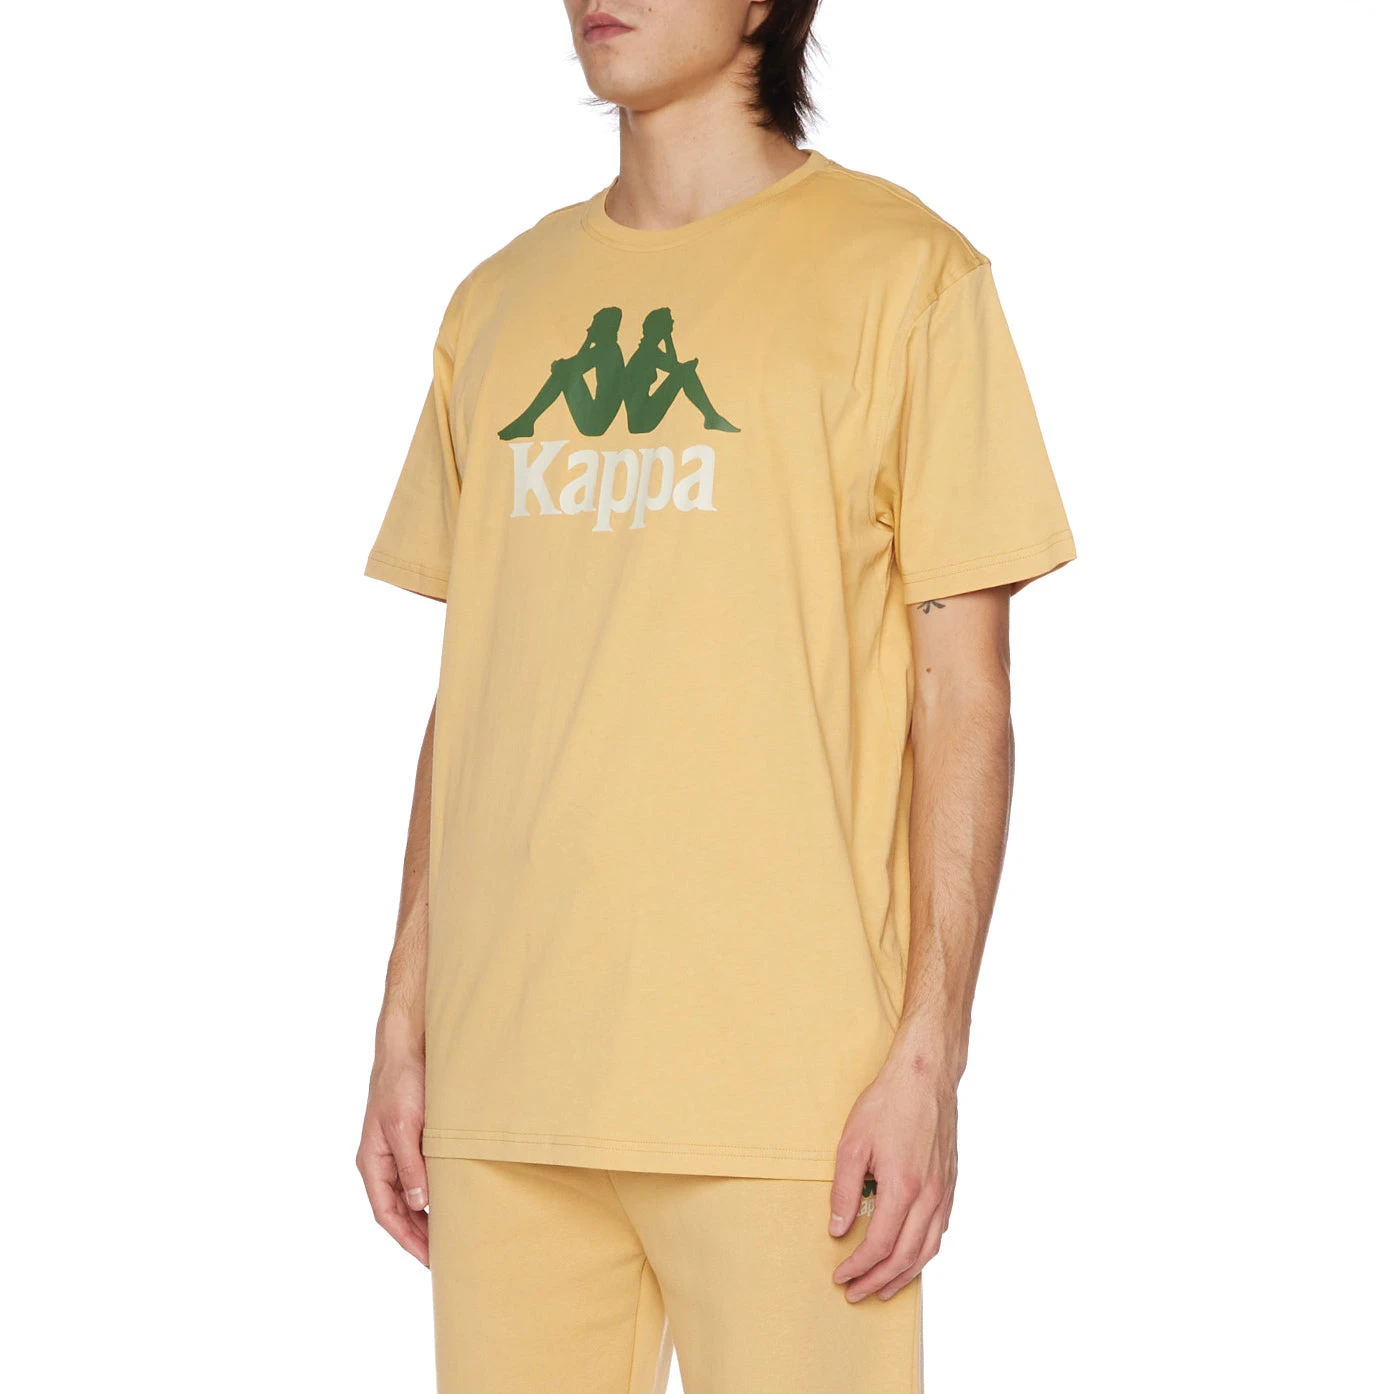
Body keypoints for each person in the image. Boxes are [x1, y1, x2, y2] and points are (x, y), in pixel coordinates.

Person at [358, 2, 1075, 1390]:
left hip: (795, 1102)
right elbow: (477, 687)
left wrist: (931, 1056)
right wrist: (403, 1018)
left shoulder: (907, 277)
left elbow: (965, 701)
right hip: (508, 1089)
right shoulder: (495, 305)